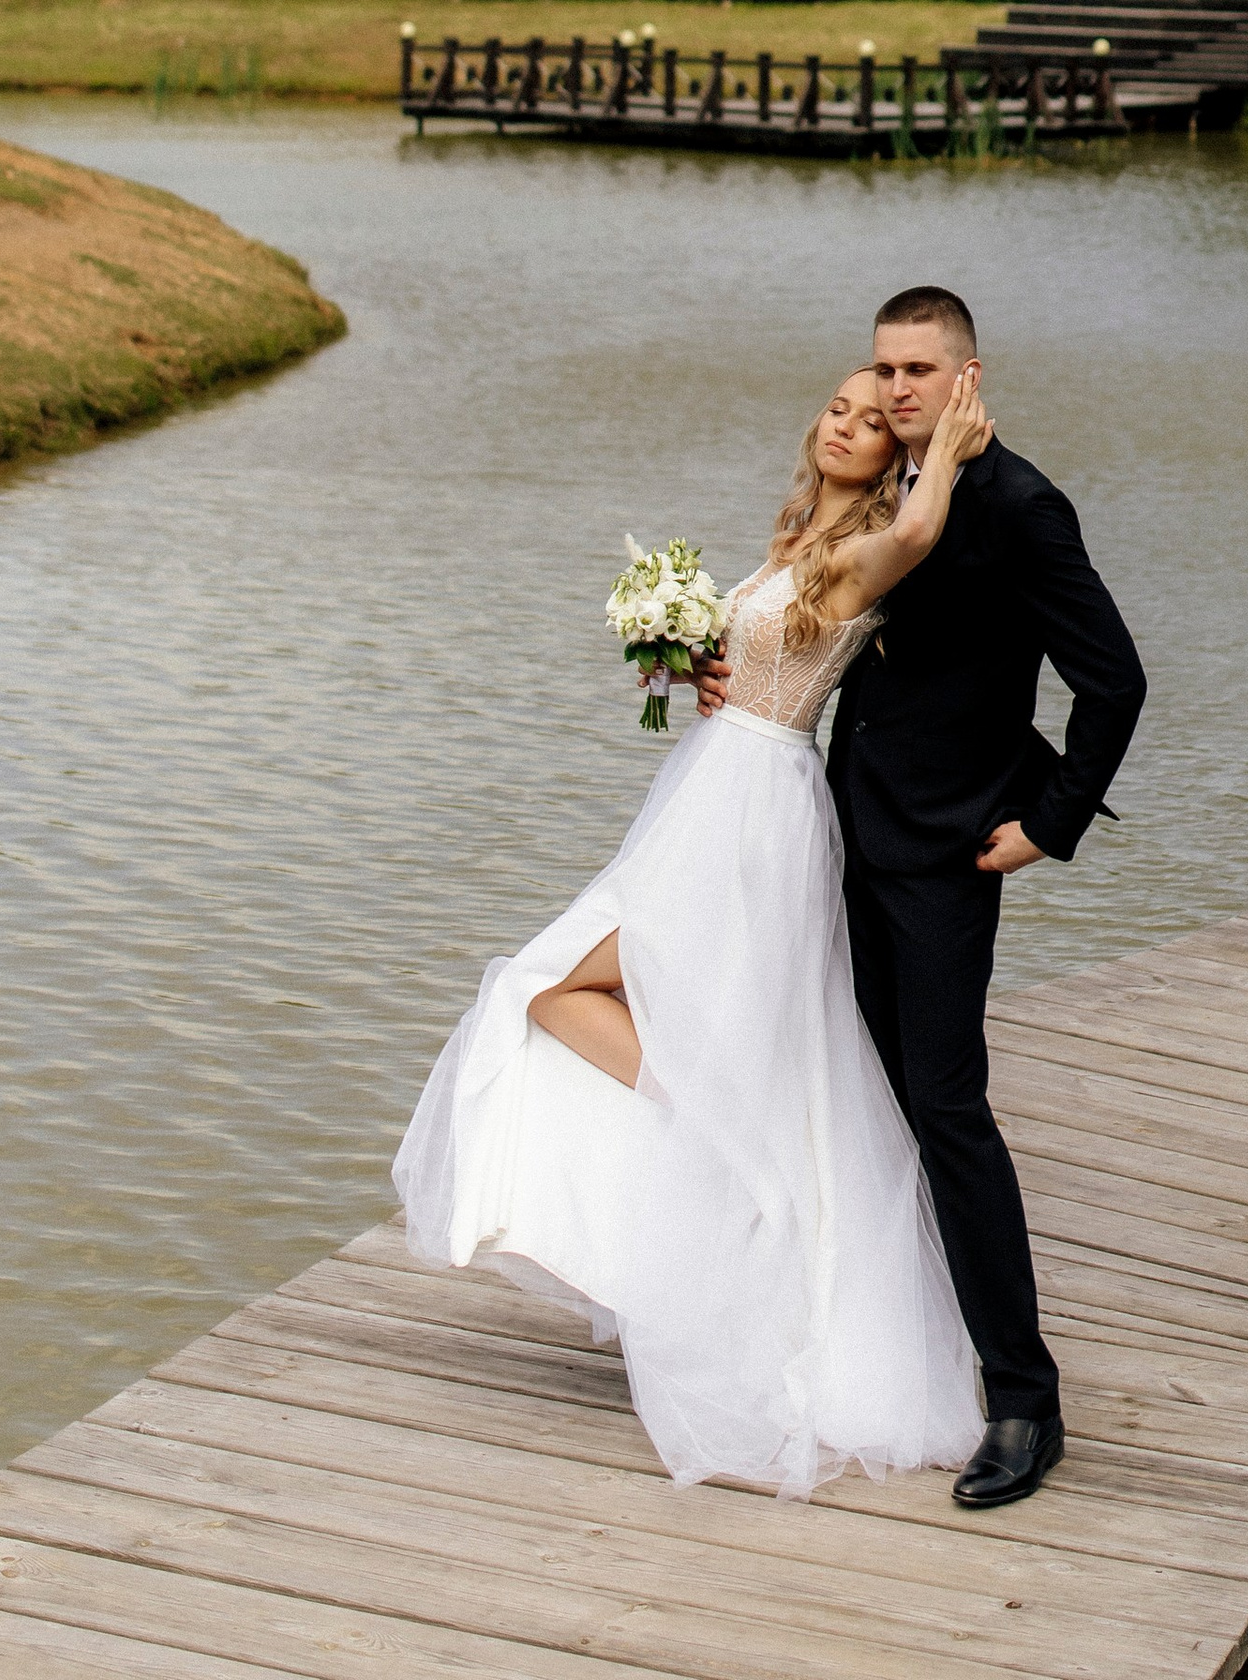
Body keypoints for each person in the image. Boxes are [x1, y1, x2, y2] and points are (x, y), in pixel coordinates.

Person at [392, 366, 996, 1497]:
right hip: (711, 790)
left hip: (754, 812)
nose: (848, 427)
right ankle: (714, 1140)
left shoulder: (863, 550)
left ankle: (722, 1144)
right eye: (839, 408)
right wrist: (682, 658)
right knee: (564, 992)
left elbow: (918, 535)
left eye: (875, 422)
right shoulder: (792, 536)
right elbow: (751, 661)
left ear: (892, 455)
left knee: (548, 988)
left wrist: (950, 448)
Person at [788, 283, 1146, 1513]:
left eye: (918, 371)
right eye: (883, 369)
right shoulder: (886, 488)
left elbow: (1114, 681)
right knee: (867, 1098)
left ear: (967, 378)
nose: (897, 390)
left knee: (947, 1110)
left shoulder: (1019, 506)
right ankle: (898, 1348)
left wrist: (1046, 824)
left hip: (946, 855)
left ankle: (1023, 1402)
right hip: (841, 834)